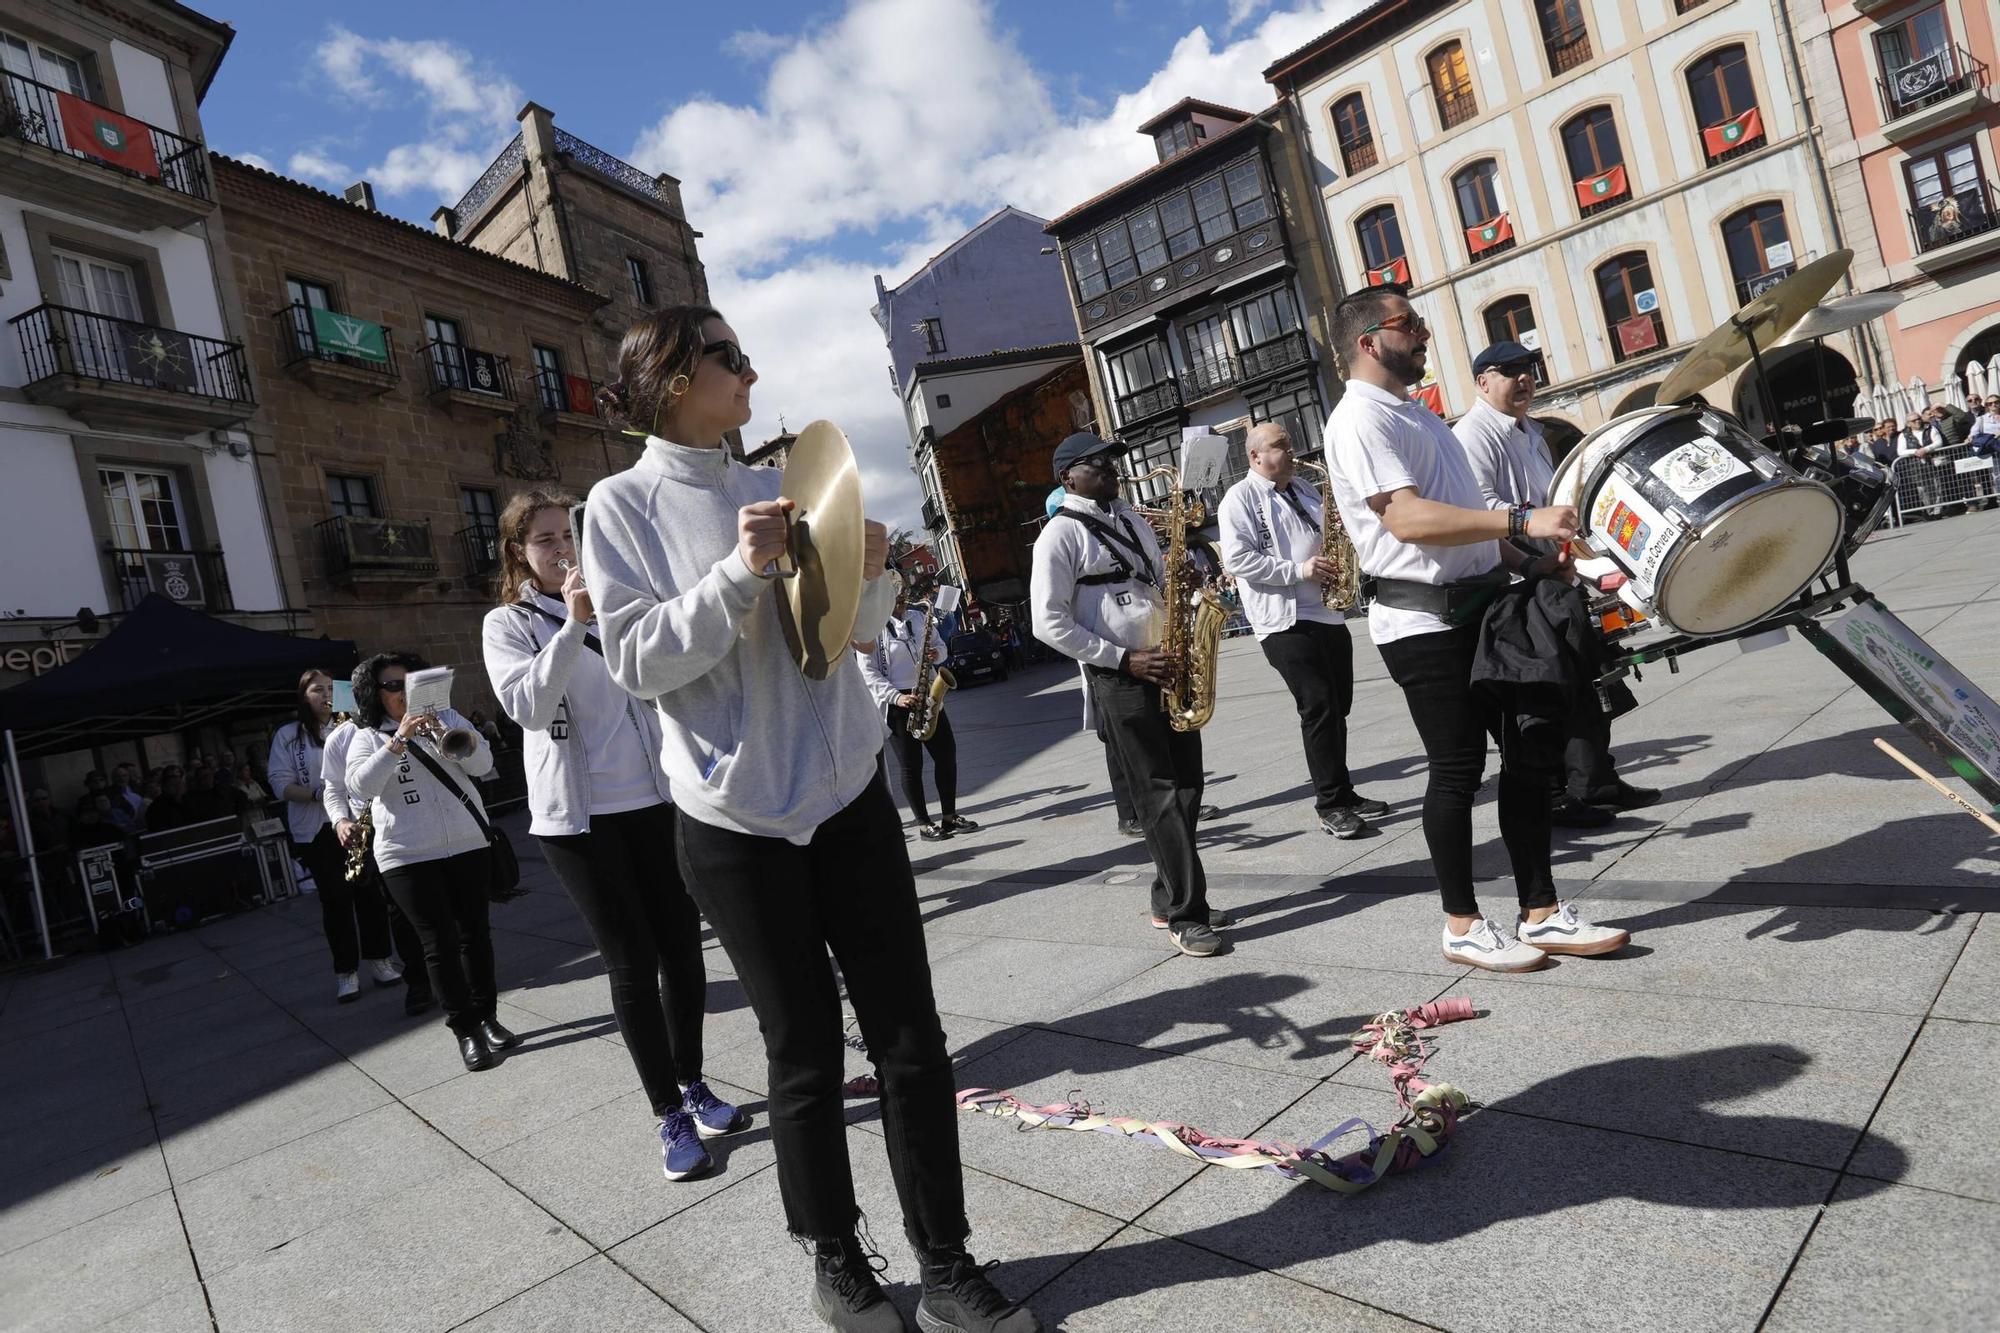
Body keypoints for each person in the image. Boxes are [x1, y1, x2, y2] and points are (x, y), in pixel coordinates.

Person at [581, 303, 1041, 1333]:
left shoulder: (777, 484)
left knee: (910, 1035)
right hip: (732, 817)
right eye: (727, 359)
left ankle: (947, 1261)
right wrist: (737, 571)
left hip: (845, 790)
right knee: (801, 1051)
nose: (750, 373)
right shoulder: (620, 505)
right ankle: (836, 1260)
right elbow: (636, 661)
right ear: (666, 378)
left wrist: (868, 578)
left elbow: (847, 643)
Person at [1320, 285, 1631, 972]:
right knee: (1457, 769)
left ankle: (1541, 911)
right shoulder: (1359, 419)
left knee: (1529, 755)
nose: (1426, 335)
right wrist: (1520, 522)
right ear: (1369, 341)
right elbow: (1408, 520)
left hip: (1488, 603)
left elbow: (1465, 520)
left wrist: (1539, 564)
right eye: (1411, 324)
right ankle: (1461, 923)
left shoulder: (1419, 415)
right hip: (1423, 620)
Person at [483, 487, 743, 1183]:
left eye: (567, 534)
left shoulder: (616, 600)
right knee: (631, 960)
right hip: (580, 820)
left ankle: (691, 1079)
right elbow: (528, 705)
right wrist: (571, 625)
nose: (564, 548)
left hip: (654, 801)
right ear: (519, 552)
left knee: (684, 953)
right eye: (545, 539)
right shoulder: (508, 624)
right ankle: (667, 1114)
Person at [1032, 430, 1228, 957]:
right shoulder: (1059, 536)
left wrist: (1184, 586)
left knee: (1188, 784)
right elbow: (1046, 623)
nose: (1112, 471)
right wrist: (1124, 658)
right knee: (1158, 791)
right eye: (1097, 464)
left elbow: (1158, 579)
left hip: (1167, 661)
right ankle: (1188, 914)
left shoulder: (1133, 519)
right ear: (1067, 476)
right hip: (1121, 675)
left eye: (1113, 462)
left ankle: (1170, 895)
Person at [1452, 340, 1660, 826]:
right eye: (1510, 371)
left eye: (1529, 368)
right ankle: (1562, 795)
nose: (1524, 378)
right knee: (1547, 693)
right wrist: (1532, 560)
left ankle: (1598, 781)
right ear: (1483, 382)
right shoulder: (1474, 435)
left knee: (1589, 683)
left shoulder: (1530, 430)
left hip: (1552, 574)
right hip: (1515, 583)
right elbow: (1482, 510)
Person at [1217, 421, 1387, 839]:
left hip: (1328, 612)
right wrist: (1299, 569)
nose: (1290, 451)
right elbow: (1238, 559)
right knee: (1319, 705)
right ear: (1255, 456)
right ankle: (1330, 804)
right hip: (1284, 619)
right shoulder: (1238, 499)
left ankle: (1344, 791)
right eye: (1280, 446)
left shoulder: (1307, 489)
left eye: (1289, 444)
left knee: (1338, 705)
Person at [348, 651, 512, 1072]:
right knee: (437, 943)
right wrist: (399, 739)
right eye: (392, 686)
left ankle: (488, 1017)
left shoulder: (450, 717)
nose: (403, 693)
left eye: (409, 683)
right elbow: (361, 787)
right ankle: (465, 1031)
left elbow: (485, 764)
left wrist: (447, 734)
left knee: (476, 935)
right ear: (375, 694)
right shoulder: (365, 735)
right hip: (406, 855)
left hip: (466, 843)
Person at [269, 671, 404, 1004]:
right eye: (317, 690)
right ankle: (346, 972)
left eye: (330, 688)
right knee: (336, 901)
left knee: (370, 894)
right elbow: (279, 783)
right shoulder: (289, 735)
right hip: (317, 828)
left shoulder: (351, 725)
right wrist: (319, 794)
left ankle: (380, 960)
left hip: (359, 822)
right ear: (304, 697)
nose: (326, 695)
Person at [321, 666, 433, 1018]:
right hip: (379, 832)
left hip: (421, 821)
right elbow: (334, 789)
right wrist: (340, 820)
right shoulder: (341, 736)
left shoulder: (405, 720)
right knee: (400, 912)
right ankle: (418, 980)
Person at [857, 578, 979, 842]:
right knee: (911, 765)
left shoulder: (917, 616)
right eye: (894, 597)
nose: (901, 601)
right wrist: (896, 698)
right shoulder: (872, 627)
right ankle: (924, 823)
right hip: (898, 702)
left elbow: (941, 646)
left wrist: (938, 653)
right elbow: (868, 673)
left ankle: (949, 816)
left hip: (927, 694)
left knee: (946, 755)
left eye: (902, 595)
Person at [1895, 412, 1950, 516]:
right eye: (1914, 420)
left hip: (1933, 462)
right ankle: (1929, 510)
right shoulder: (1903, 434)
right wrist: (1915, 451)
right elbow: (1900, 451)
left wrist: (1925, 449)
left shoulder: (1930, 428)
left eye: (1918, 418)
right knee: (1923, 489)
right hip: (1916, 465)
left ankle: (1938, 510)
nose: (1918, 421)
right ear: (1908, 423)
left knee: (1937, 485)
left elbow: (1938, 442)